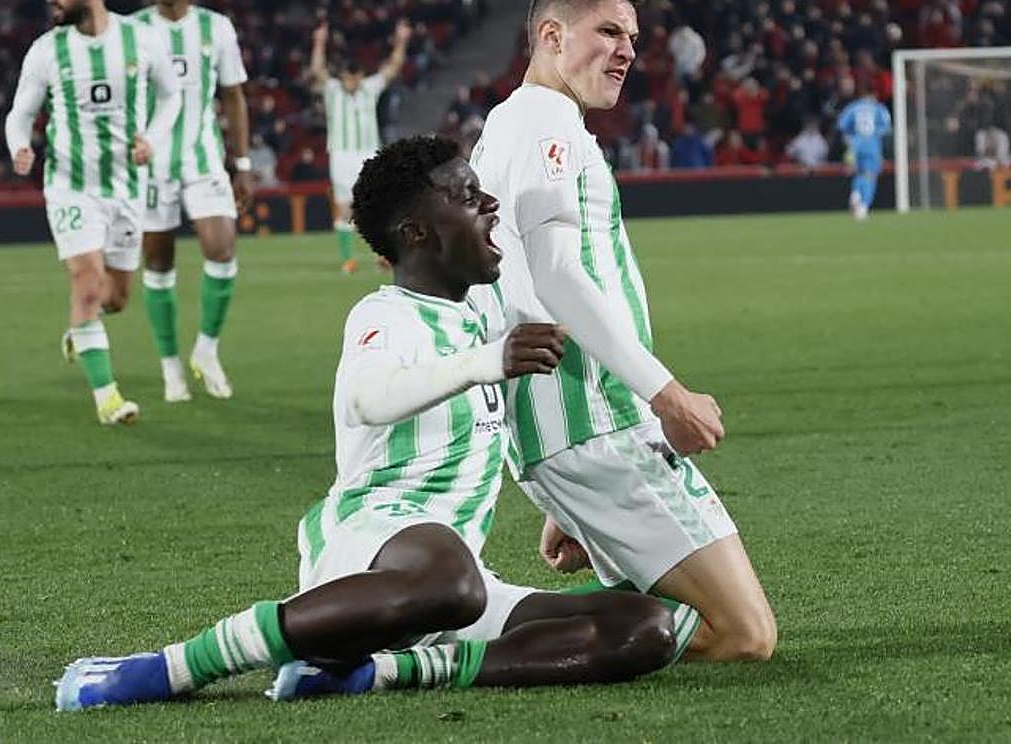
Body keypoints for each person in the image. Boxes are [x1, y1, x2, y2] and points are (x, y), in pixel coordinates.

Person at [54, 136, 696, 711]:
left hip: (456, 584)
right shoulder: (386, 315)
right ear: (417, 233)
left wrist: (568, 505)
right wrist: (484, 363)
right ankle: (169, 668)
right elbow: (368, 397)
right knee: (452, 582)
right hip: (369, 548)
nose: (489, 204)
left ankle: (377, 674)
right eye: (466, 196)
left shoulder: (483, 311)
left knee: (649, 625)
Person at [470, 0, 776, 662]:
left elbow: (518, 279)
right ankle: (465, 635)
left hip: (575, 426)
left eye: (632, 37)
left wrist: (567, 492)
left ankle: (479, 621)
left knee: (697, 621)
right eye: (608, 31)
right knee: (743, 635)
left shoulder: (514, 122)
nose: (627, 51)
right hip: (596, 419)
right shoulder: (543, 120)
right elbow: (555, 273)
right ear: (552, 36)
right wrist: (665, 395)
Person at [4, 0, 180, 425]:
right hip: (70, 186)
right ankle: (108, 399)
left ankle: (80, 330)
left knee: (115, 297)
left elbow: (171, 97)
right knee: (85, 282)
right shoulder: (47, 50)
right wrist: (19, 145)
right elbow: (20, 113)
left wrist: (153, 138)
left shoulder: (141, 40)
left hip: (126, 188)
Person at [134, 0, 252, 402]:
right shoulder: (134, 29)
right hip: (151, 163)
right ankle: (170, 368)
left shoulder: (216, 28)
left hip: (203, 157)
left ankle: (206, 350)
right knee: (158, 262)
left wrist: (242, 163)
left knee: (221, 249)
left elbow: (233, 95)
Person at [309, 16, 411, 273]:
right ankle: (348, 259)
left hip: (367, 153)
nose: (351, 82)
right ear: (343, 77)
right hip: (341, 154)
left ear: (360, 76)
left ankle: (383, 255)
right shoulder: (333, 90)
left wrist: (401, 40)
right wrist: (319, 42)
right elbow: (317, 70)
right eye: (347, 78)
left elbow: (393, 67)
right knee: (345, 208)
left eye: (354, 78)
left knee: (377, 205)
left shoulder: (369, 88)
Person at [836, 88, 892, 220]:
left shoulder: (852, 107)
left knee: (859, 173)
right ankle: (863, 206)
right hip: (872, 145)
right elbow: (886, 127)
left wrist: (852, 136)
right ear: (872, 96)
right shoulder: (878, 108)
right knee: (870, 176)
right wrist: (875, 134)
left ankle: (856, 193)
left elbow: (841, 125)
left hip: (854, 145)